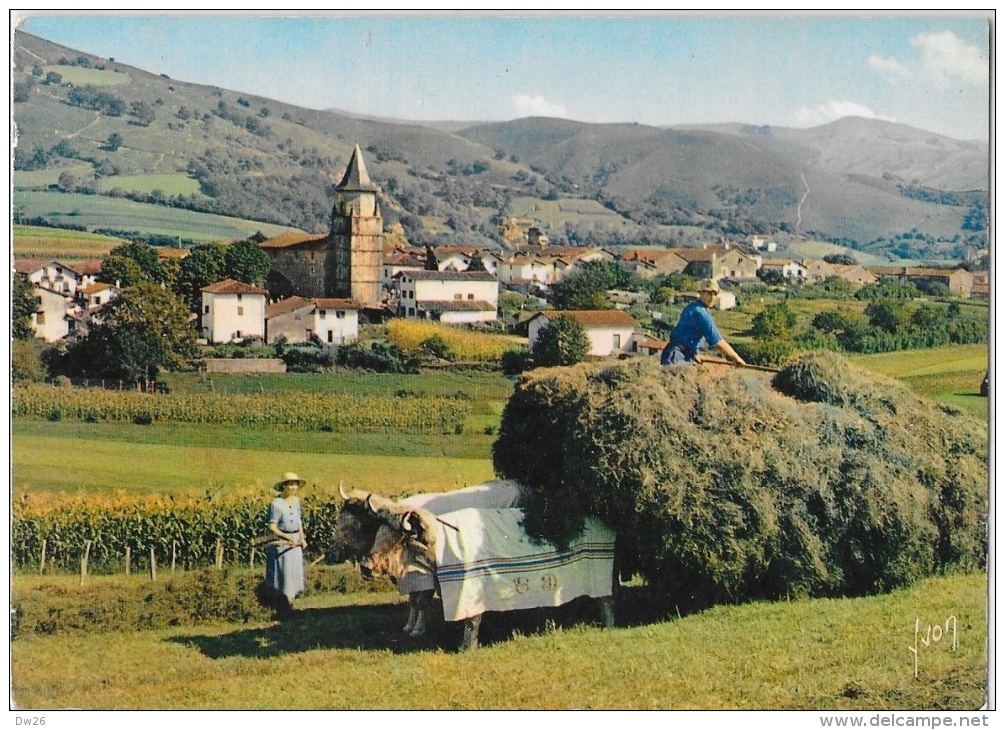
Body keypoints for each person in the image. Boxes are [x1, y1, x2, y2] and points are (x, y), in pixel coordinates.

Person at [660, 278, 746, 367]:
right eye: (708, 293)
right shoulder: (700, 313)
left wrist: (694, 355)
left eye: (715, 294)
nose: (712, 297)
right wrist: (736, 358)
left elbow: (686, 336)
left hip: (678, 354)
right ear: (700, 293)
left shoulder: (692, 307)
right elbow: (717, 341)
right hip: (677, 356)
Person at [265, 472, 307, 616]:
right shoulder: (276, 504)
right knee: (285, 573)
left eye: (295, 484)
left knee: (294, 572)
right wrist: (288, 538)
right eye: (290, 484)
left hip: (295, 542)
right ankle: (283, 606)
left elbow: (298, 521)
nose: (293, 487)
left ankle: (291, 603)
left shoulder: (296, 502)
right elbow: (272, 526)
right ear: (283, 486)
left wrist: (302, 538)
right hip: (283, 543)